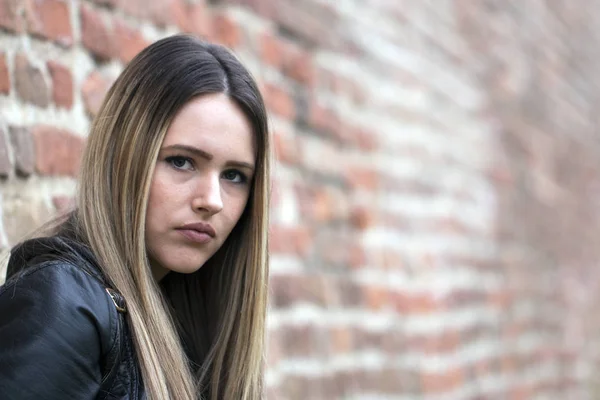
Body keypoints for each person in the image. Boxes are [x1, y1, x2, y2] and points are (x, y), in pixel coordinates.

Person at [0, 34, 271, 400]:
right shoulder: (64, 304)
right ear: (122, 157)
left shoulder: (187, 316)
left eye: (234, 175)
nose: (212, 200)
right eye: (181, 161)